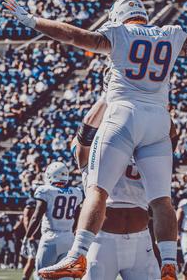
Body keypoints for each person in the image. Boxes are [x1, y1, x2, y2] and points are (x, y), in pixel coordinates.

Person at [3, 0, 187, 280]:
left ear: (118, 15)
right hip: (159, 118)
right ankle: (169, 263)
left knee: (97, 189)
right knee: (162, 200)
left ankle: (77, 256)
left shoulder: (119, 33)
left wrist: (32, 21)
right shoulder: (169, 34)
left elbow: (74, 35)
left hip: (124, 113)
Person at [72, 94, 175, 279]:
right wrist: (108, 98)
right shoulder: (93, 151)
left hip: (141, 241)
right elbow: (83, 139)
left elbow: (170, 141)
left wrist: (157, 109)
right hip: (101, 241)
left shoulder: (147, 151)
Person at [23, 161, 84, 279]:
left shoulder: (46, 191)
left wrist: (27, 236)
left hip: (50, 238)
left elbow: (36, 216)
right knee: (65, 277)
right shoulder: (76, 192)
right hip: (68, 238)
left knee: (42, 275)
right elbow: (77, 215)